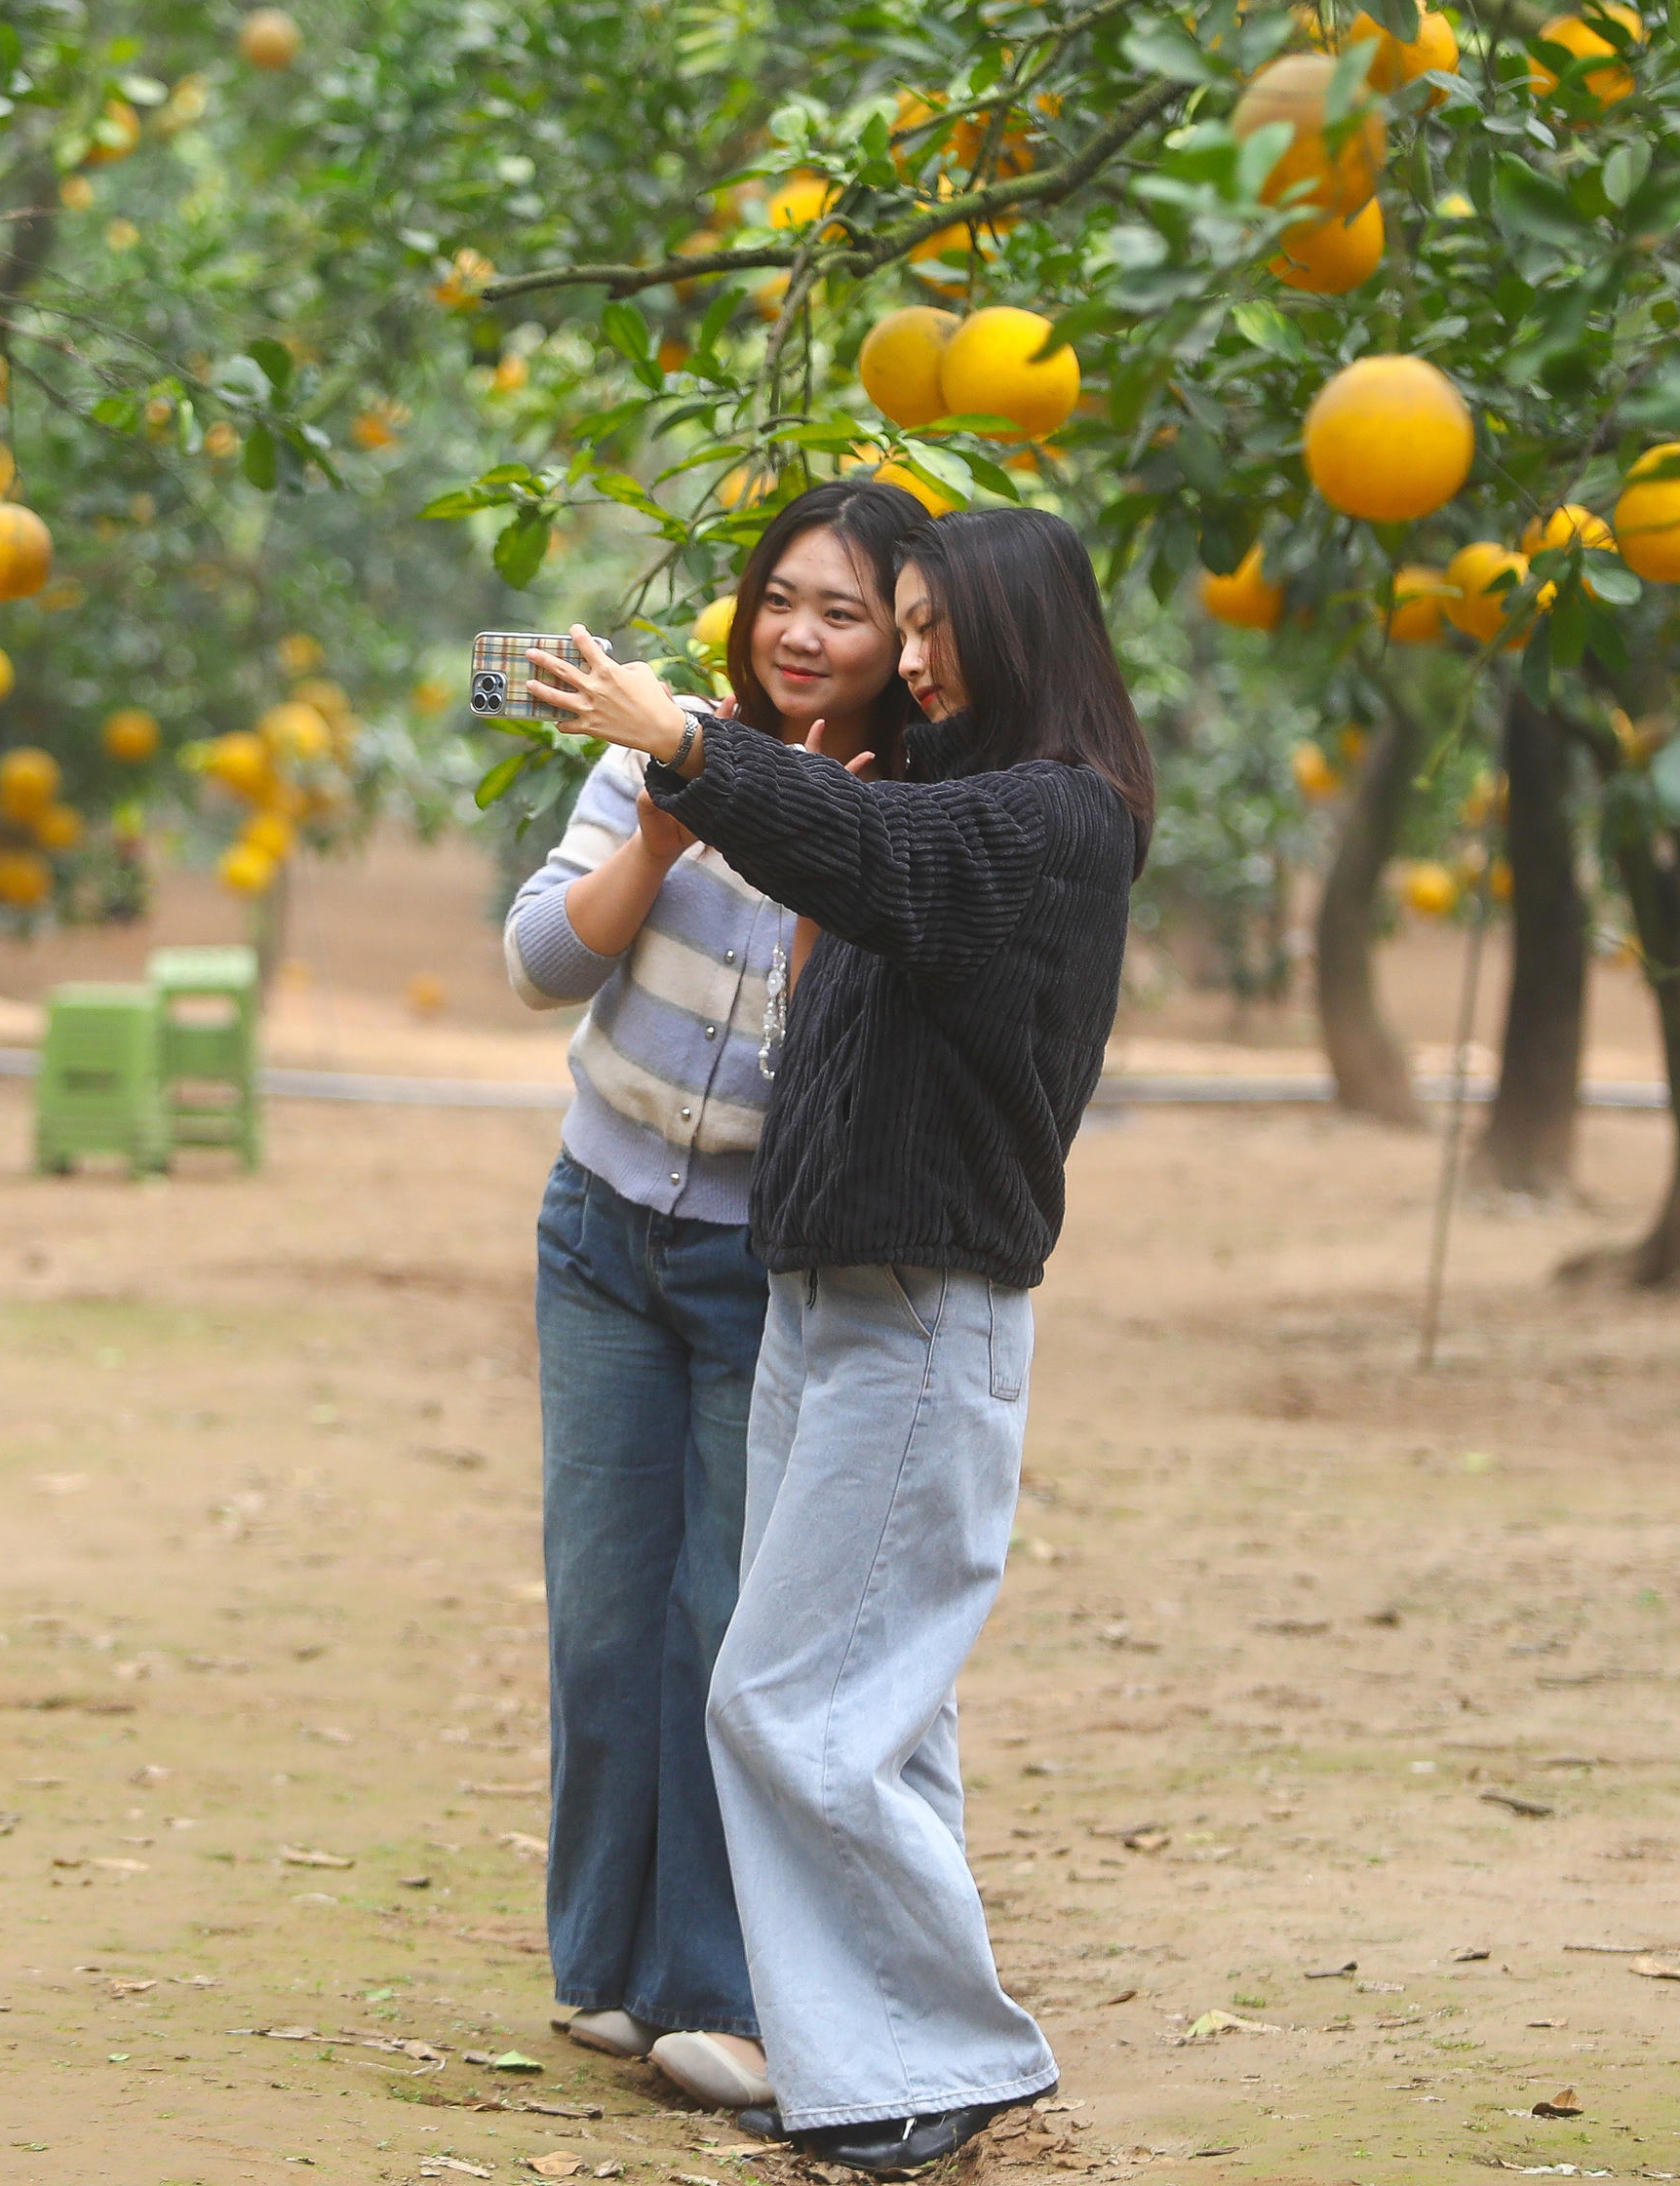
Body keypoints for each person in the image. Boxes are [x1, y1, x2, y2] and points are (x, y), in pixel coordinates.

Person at [526, 504, 1153, 2179]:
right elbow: (847, 865)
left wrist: (689, 743)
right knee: (867, 1710)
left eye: (932, 628)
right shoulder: (947, 790)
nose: (916, 657)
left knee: (793, 1698)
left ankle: (938, 2059)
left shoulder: (1054, 822)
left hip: (922, 1310)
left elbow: (884, 867)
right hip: (830, 1290)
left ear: (1018, 635)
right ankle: (868, 2055)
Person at [500, 479, 924, 2112]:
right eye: (783, 602)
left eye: (848, 611)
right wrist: (669, 825)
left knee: (717, 1626)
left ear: (905, 641)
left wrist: (807, 852)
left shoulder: (903, 804)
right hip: (599, 1229)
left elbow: (859, 1044)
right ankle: (603, 1967)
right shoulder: (654, 749)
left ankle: (709, 1980)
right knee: (604, 1607)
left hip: (765, 1261)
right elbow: (541, 958)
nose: (805, 636)